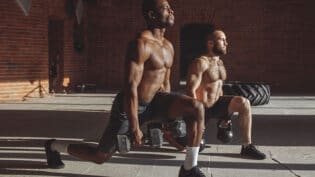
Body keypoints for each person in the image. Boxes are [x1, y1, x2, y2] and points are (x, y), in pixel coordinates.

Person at [45, 0, 207, 176]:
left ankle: (190, 168)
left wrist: (165, 120)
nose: (171, 11)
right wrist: (135, 126)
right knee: (100, 156)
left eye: (170, 7)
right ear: (152, 15)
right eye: (165, 8)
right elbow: (131, 88)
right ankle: (53, 146)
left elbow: (165, 83)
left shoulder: (168, 46)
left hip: (156, 102)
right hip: (130, 106)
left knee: (196, 107)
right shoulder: (140, 44)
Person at [186, 29, 266, 160]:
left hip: (217, 104)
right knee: (196, 146)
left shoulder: (220, 62)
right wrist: (195, 118)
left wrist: (227, 114)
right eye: (222, 40)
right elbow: (190, 90)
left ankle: (247, 146)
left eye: (225, 40)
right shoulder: (200, 62)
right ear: (210, 43)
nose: (226, 43)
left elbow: (219, 87)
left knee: (244, 103)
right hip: (202, 108)